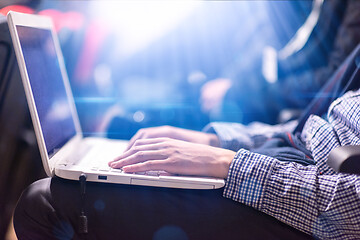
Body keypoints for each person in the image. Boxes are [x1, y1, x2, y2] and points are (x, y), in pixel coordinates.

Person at [13, 43, 360, 239]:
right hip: (291, 158)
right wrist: (214, 139)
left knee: (45, 202)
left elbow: (352, 211)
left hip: (310, 208)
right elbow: (305, 128)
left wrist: (228, 162)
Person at [201, 0, 360, 124]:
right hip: (283, 94)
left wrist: (239, 93)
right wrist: (233, 82)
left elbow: (337, 78)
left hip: (316, 115)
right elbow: (271, 45)